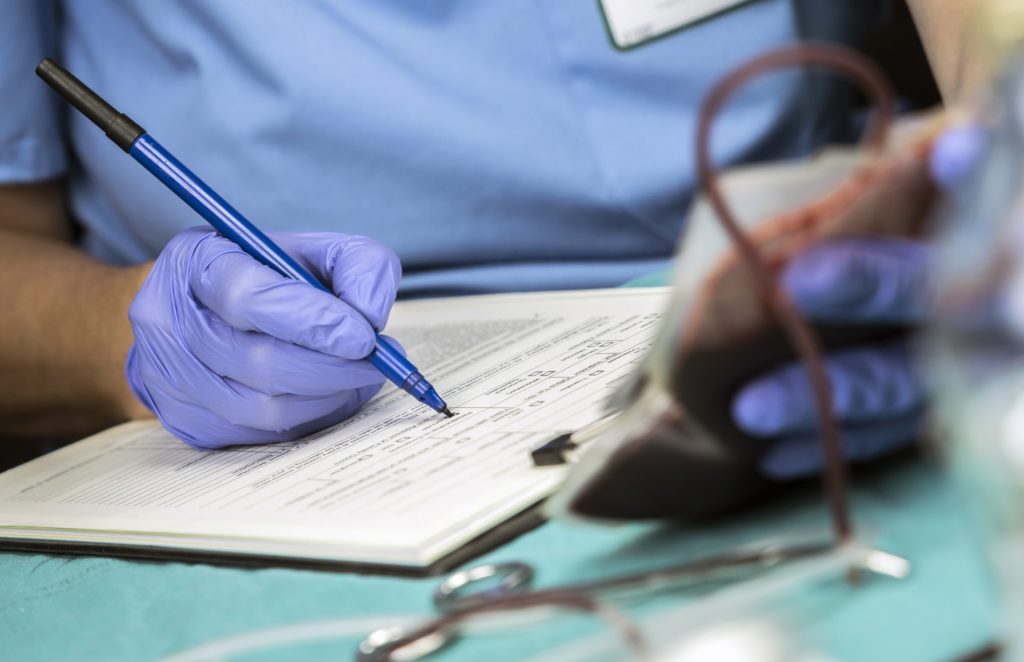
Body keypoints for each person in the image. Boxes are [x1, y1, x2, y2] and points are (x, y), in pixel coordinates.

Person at [0, 1, 975, 476]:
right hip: (269, 455)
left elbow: (988, 40)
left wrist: (990, 199)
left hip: (813, 293)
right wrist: (118, 341)